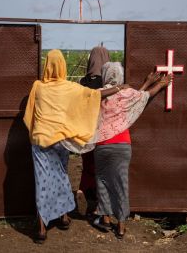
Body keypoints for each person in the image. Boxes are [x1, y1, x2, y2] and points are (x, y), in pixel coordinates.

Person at [23, 50, 128, 243]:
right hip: (61, 141)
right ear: (62, 66)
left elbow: (29, 117)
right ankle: (63, 217)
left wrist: (37, 133)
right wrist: (118, 89)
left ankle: (42, 227)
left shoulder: (37, 87)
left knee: (42, 182)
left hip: (40, 141)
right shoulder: (70, 88)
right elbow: (93, 96)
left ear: (47, 65)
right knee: (61, 176)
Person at [92, 62, 172, 239]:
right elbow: (142, 96)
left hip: (102, 144)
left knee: (102, 180)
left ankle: (105, 218)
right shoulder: (126, 93)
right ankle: (120, 225)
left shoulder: (98, 94)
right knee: (121, 183)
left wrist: (147, 82)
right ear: (119, 75)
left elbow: (135, 97)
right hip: (122, 145)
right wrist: (160, 83)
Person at [77, 46, 110, 215]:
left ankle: (82, 190)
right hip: (102, 131)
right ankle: (98, 201)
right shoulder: (106, 83)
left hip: (84, 130)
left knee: (87, 165)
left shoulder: (83, 83)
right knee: (101, 168)